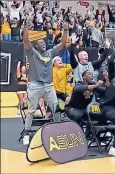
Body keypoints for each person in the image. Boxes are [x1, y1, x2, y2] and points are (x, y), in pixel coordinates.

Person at [22, 16, 67, 146]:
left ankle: (58, 131)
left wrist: (65, 30)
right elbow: (25, 40)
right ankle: (26, 133)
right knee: (31, 110)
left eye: (44, 42)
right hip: (35, 85)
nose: (43, 43)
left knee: (56, 108)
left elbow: (63, 43)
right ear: (35, 44)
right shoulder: (31, 52)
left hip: (48, 86)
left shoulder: (50, 53)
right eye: (40, 42)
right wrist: (26, 26)